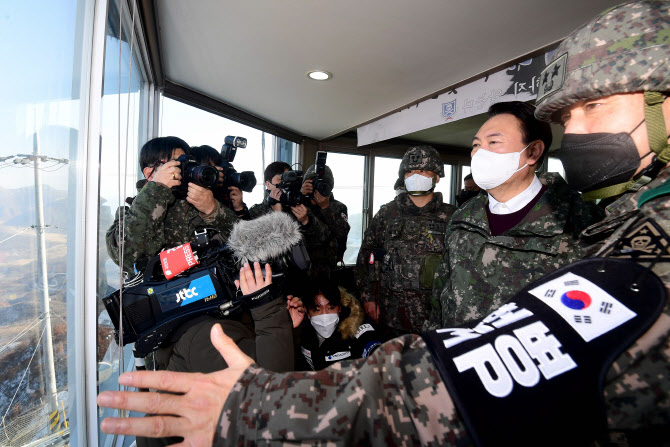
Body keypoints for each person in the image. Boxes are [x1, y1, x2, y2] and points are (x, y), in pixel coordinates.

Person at [97, 2, 670, 444]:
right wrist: (158, 196)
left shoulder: (595, 224)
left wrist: (236, 216)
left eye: (593, 105)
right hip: (193, 338)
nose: (580, 129)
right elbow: (125, 250)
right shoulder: (142, 212)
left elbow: (477, 375)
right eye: (570, 114)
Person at [426, 101, 605, 330]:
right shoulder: (463, 217)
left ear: (532, 152)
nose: (480, 153)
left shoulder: (583, 224)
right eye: (476, 144)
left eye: (494, 142)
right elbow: (440, 295)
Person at [356, 145, 457, 338]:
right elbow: (366, 256)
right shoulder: (387, 214)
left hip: (435, 318)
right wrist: (368, 298)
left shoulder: (451, 216)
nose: (415, 175)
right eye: (409, 171)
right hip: (390, 315)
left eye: (422, 170)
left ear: (436, 177)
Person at [293, 276, 381, 371]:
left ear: (339, 308)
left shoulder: (355, 325)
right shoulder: (302, 332)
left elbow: (372, 346)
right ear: (307, 312)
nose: (325, 315)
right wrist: (290, 328)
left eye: (331, 308)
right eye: (317, 309)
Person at [298, 163, 350, 274]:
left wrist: (326, 208)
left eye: (322, 183)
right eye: (313, 182)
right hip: (300, 265)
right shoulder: (299, 204)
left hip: (327, 267)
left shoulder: (338, 207)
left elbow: (342, 233)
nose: (317, 186)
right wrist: (300, 197)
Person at [190, 144, 251, 220]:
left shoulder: (226, 193)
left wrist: (238, 207)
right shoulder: (186, 199)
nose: (217, 171)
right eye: (209, 168)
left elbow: (245, 229)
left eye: (216, 165)